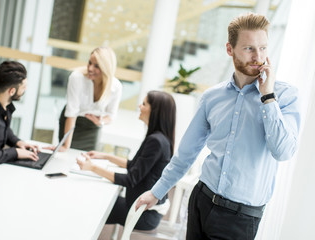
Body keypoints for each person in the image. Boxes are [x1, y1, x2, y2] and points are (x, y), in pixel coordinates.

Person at [136, 12, 301, 239]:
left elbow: (283, 152)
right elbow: (186, 152)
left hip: (241, 217)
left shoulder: (285, 96)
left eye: (263, 48)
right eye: (249, 48)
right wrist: (157, 192)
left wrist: (268, 97)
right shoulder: (212, 97)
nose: (258, 56)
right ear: (229, 49)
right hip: (202, 200)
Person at [77, 90, 176, 230]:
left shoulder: (156, 141)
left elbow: (130, 179)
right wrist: (105, 156)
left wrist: (92, 168)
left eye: (144, 104)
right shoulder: (159, 138)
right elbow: (134, 166)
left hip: (143, 215)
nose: (139, 106)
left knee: (88, 205)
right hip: (141, 209)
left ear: (155, 111)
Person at [58, 46, 122, 152]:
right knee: (65, 154)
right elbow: (71, 113)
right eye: (89, 63)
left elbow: (111, 116)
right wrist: (66, 146)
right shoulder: (76, 78)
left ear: (106, 68)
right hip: (71, 122)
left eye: (96, 66)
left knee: (87, 159)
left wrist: (100, 121)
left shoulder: (116, 87)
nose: (90, 68)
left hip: (92, 128)